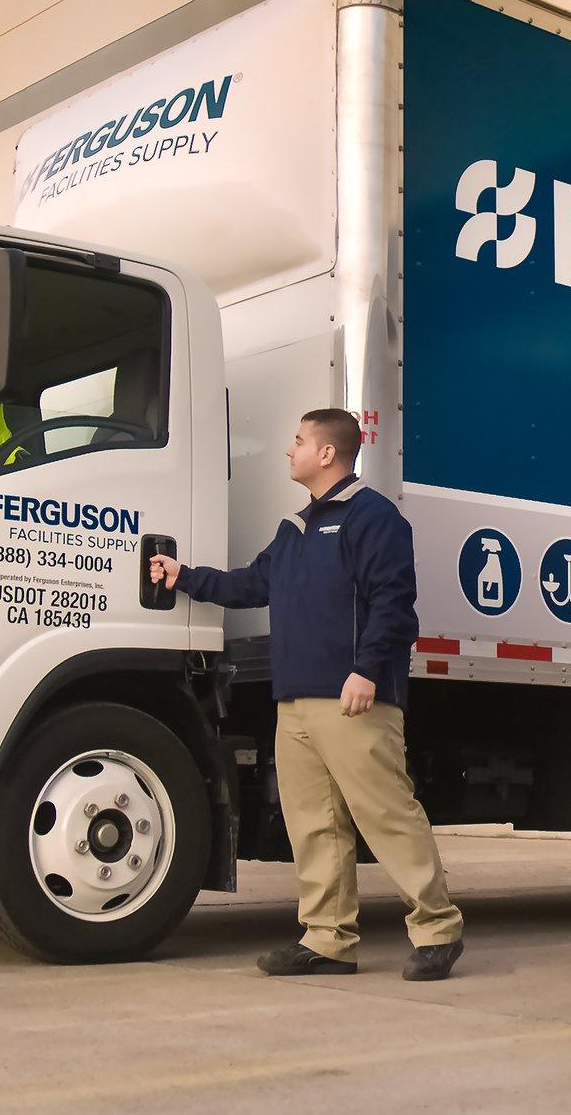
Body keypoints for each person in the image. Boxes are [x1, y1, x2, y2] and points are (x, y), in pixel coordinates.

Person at [150, 409, 465, 981]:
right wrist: (185, 577)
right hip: (293, 701)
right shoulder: (293, 530)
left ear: (328, 454)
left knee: (386, 814)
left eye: (298, 440)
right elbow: (249, 584)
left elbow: (395, 602)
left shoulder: (374, 518)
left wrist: (367, 670)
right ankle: (327, 939)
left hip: (352, 697)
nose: (288, 449)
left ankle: (438, 929)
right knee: (314, 824)